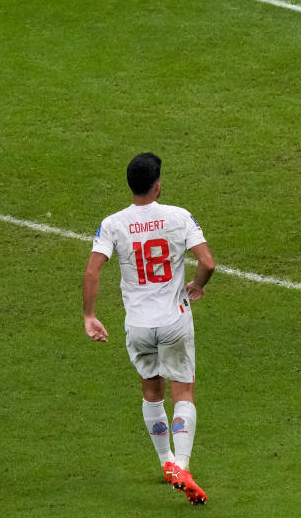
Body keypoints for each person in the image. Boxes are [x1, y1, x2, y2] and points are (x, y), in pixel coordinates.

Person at [82, 152, 215, 505]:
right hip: (174, 321)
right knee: (182, 393)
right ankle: (183, 465)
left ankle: (165, 461)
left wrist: (89, 316)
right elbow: (207, 262)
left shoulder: (113, 223)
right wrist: (199, 285)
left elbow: (93, 270)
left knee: (151, 392)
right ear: (158, 185)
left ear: (130, 185)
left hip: (138, 325)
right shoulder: (179, 216)